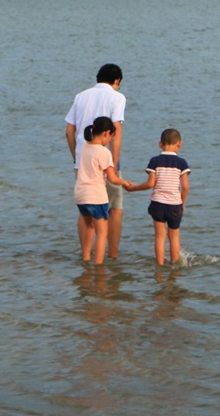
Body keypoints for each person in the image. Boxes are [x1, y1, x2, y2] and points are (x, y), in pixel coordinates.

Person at [65, 64, 126, 258]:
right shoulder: (117, 97)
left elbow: (69, 131)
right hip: (105, 159)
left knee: (86, 212)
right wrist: (114, 166)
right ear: (116, 81)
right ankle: (112, 255)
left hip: (83, 159)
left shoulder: (80, 96)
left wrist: (76, 157)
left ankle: (86, 256)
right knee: (115, 208)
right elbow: (116, 132)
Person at [125, 128, 191, 265]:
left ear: (160, 144)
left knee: (160, 237)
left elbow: (150, 184)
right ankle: (174, 266)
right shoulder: (181, 163)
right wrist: (182, 203)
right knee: (174, 237)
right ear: (179, 144)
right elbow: (185, 187)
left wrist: (134, 188)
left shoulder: (155, 161)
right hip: (175, 204)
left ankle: (160, 266)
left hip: (158, 203)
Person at [74, 117, 133, 264]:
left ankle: (86, 258)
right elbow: (112, 178)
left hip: (80, 195)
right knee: (102, 232)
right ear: (106, 133)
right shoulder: (104, 152)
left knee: (89, 226)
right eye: (112, 138)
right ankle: (98, 265)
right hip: (96, 196)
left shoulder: (84, 147)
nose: (111, 141)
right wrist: (125, 182)